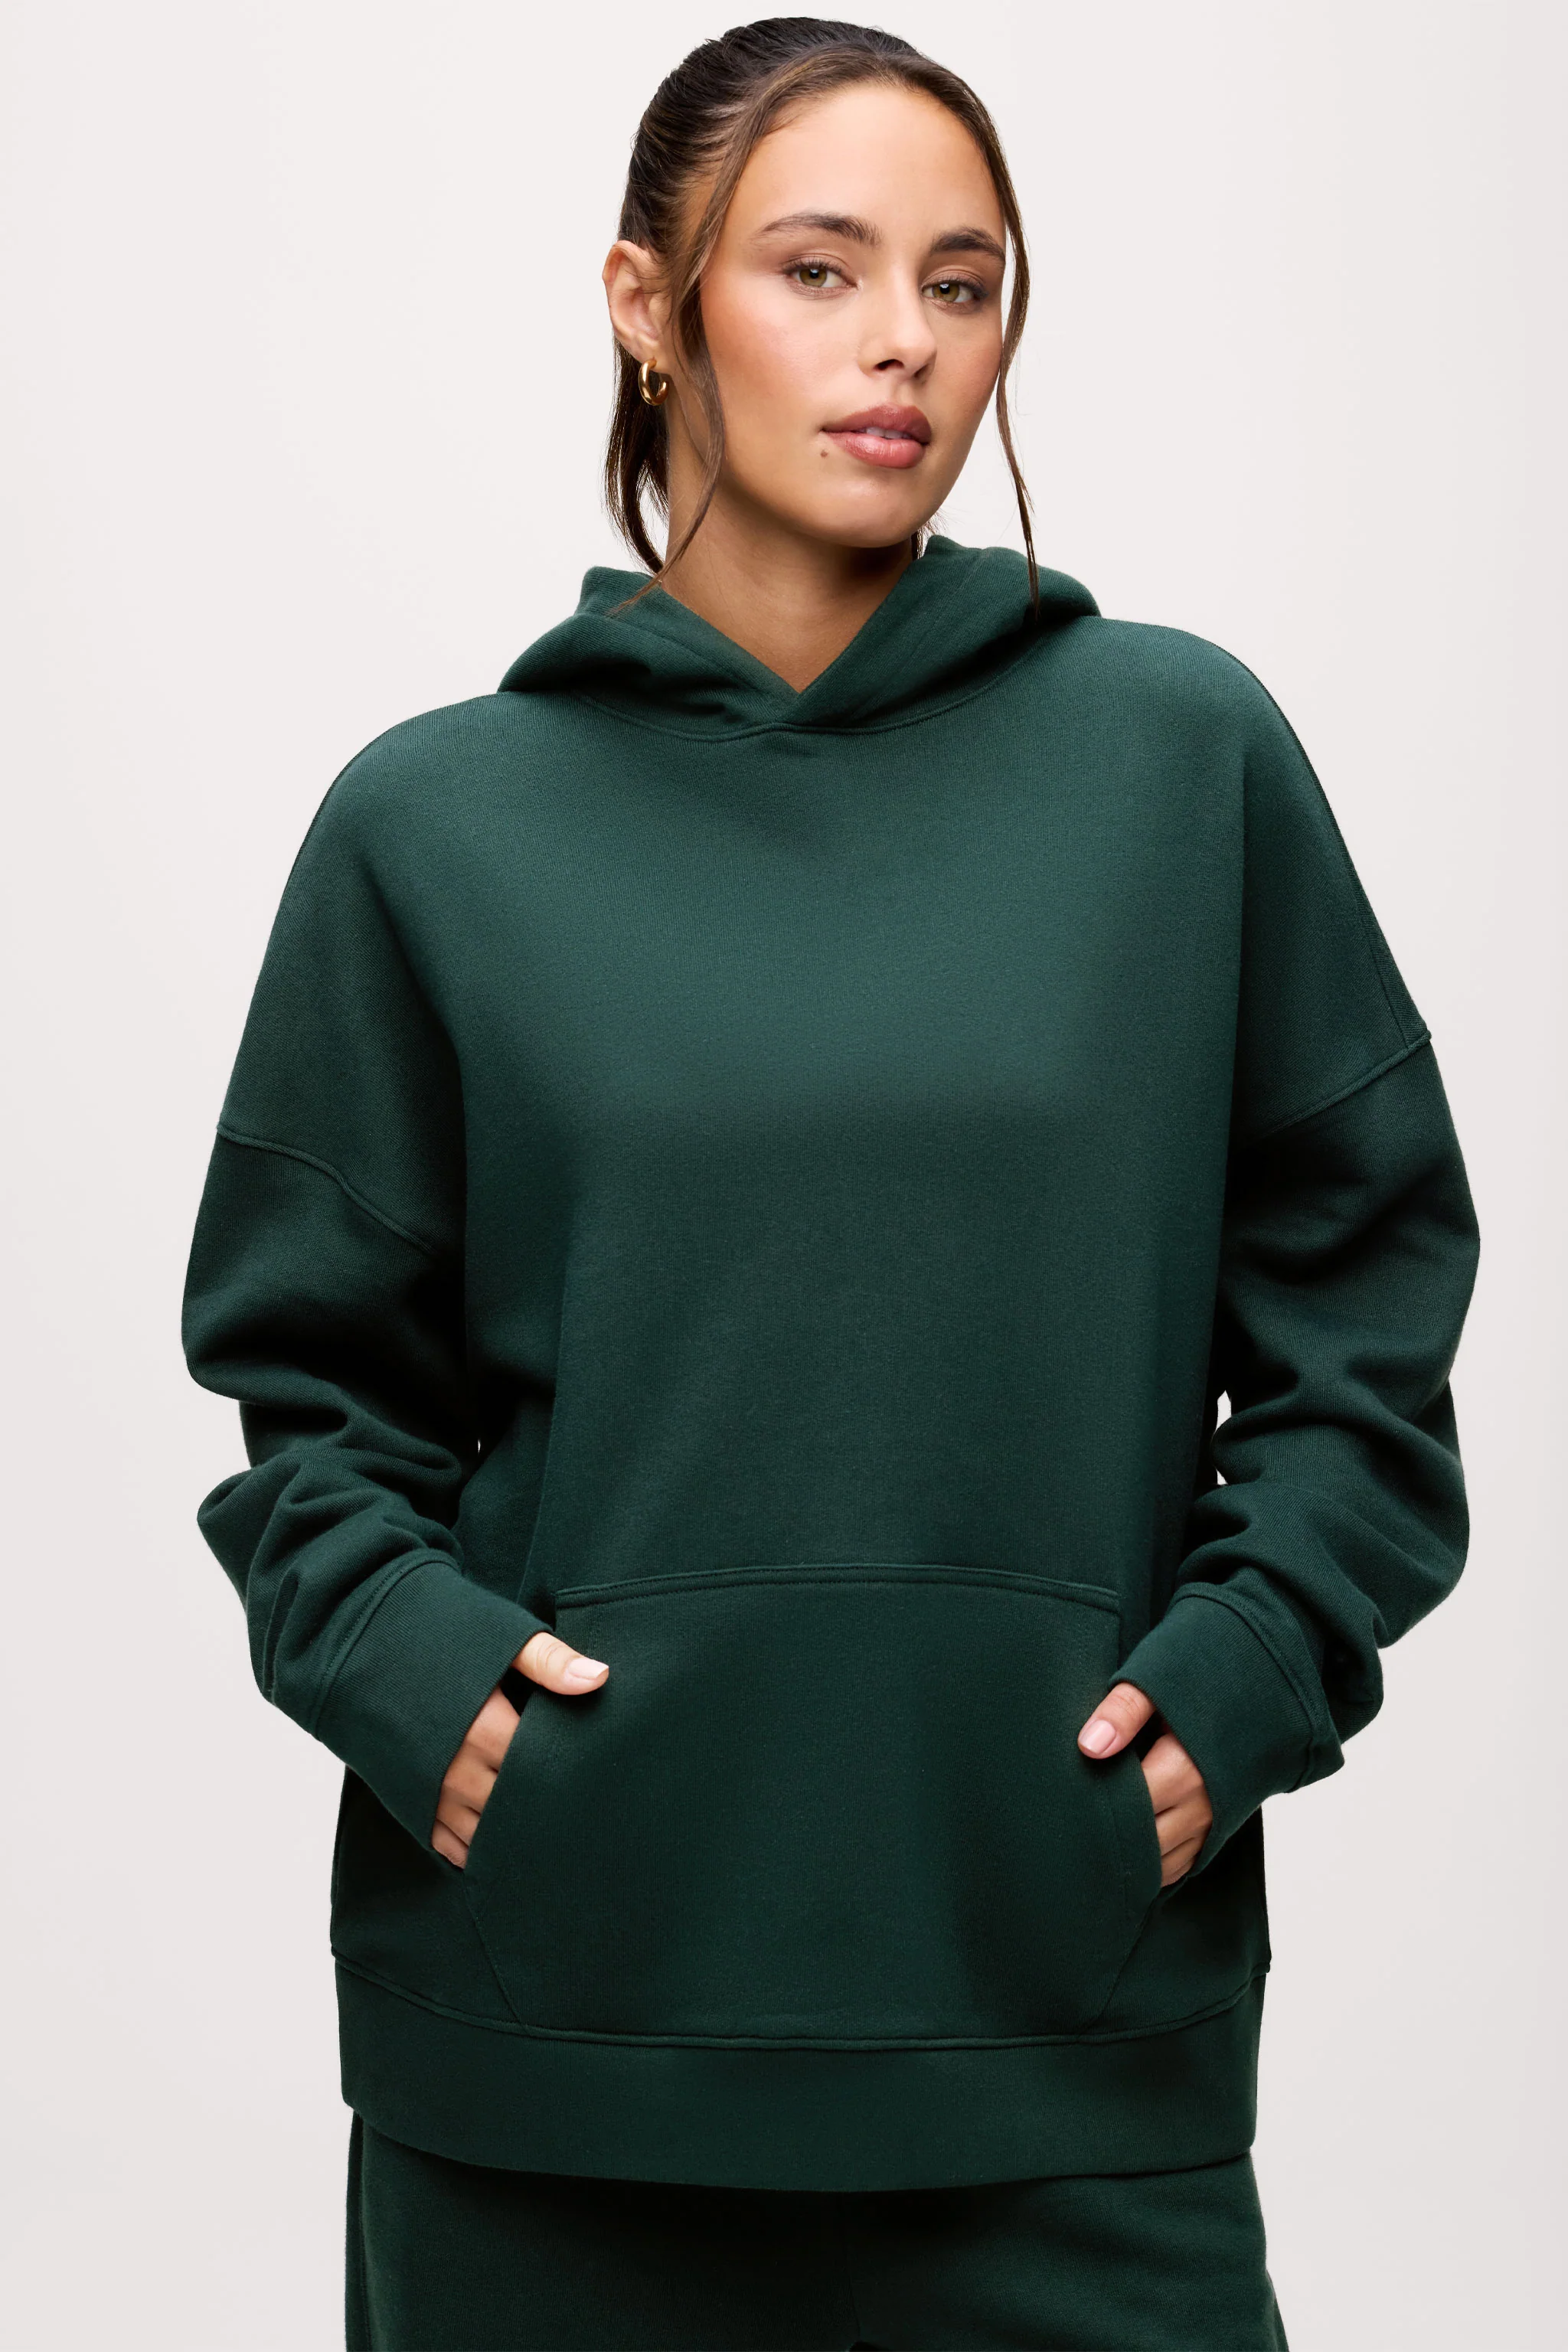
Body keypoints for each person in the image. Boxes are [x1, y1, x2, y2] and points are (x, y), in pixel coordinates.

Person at [181, 18, 1480, 2350]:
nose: (905, 342)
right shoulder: (433, 825)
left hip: (1062, 2035)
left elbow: (1365, 1308)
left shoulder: (1179, 765)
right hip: (557, 2054)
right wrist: (419, 1675)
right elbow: (308, 1388)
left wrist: (1251, 1667)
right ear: (646, 301)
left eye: (963, 283)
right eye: (819, 267)